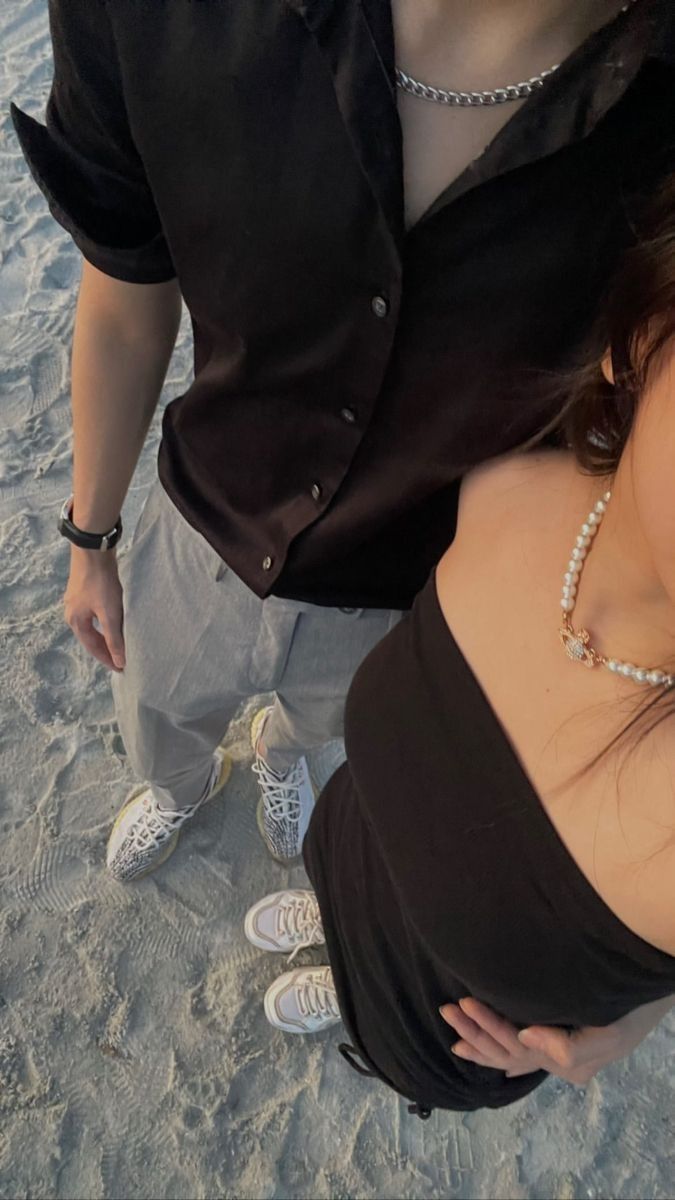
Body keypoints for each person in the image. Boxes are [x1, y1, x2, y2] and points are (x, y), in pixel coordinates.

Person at [10, 0, 674, 1082]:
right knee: (156, 705)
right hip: (202, 524)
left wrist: (637, 1003)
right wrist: (91, 535)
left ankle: (286, 765)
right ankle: (180, 787)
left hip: (414, 604)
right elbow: (128, 287)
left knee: (350, 780)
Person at [245, 175, 675, 1115]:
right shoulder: (501, 477)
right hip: (355, 849)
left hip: (444, 1023)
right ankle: (333, 935)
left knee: (404, 1017)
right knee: (352, 878)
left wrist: (632, 1026)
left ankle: (357, 1006)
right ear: (639, 342)